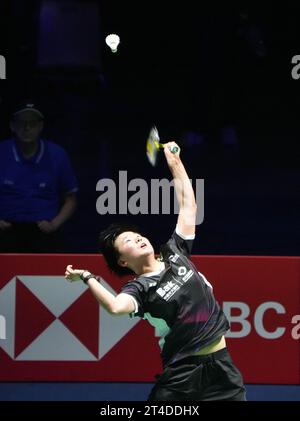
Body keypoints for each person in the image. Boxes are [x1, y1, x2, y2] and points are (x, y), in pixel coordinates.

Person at [65, 142, 246, 401]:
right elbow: (116, 307)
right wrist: (87, 277)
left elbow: (188, 206)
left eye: (137, 235)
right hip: (182, 376)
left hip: (222, 368)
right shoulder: (139, 289)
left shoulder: (176, 252)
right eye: (127, 241)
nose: (137, 239)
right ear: (123, 262)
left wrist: (174, 162)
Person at [0, 101, 78, 252]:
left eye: (32, 123)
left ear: (41, 126)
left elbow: (71, 199)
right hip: (5, 228)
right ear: (12, 126)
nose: (27, 128)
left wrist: (54, 224)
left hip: (43, 230)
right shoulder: (2, 152)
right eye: (22, 123)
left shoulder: (57, 155)